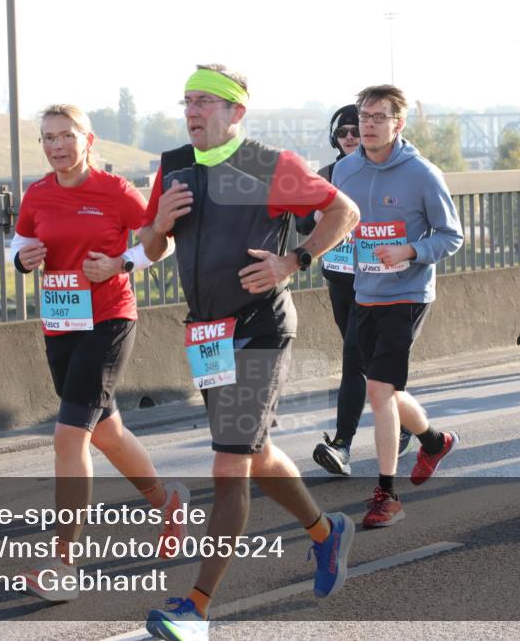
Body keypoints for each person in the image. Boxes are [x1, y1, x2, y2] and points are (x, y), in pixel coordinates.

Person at [138, 64, 361, 641]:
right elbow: (154, 246)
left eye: (206, 102)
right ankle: (325, 533)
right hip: (207, 335)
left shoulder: (268, 165)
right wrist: (157, 224)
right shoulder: (173, 167)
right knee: (254, 451)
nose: (192, 111)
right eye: (187, 100)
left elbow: (344, 212)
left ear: (236, 112)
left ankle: (195, 608)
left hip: (260, 327)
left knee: (229, 463)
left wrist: (295, 260)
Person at [10, 104, 187, 602]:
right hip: (61, 323)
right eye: (48, 138)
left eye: (66, 135)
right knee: (106, 431)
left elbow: (161, 241)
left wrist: (120, 262)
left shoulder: (113, 191)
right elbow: (21, 241)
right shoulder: (38, 192)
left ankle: (62, 565)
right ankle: (167, 502)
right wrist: (22, 258)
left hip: (109, 320)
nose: (56, 145)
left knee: (69, 439)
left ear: (89, 140)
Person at [333, 85, 463, 529]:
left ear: (398, 123)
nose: (367, 125)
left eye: (377, 117)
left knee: (377, 391)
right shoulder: (344, 171)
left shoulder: (423, 174)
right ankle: (433, 440)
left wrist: (408, 251)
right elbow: (337, 221)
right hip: (364, 293)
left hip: (407, 295)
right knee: (386, 389)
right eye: (363, 117)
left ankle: (386, 494)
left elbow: (451, 236)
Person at [302, 105, 417, 477]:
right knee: (365, 361)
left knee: (354, 358)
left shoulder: (385, 172)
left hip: (379, 282)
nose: (350, 137)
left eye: (356, 129)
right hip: (340, 278)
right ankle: (414, 429)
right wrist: (321, 216)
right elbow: (303, 219)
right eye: (343, 133)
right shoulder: (327, 175)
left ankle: (342, 445)